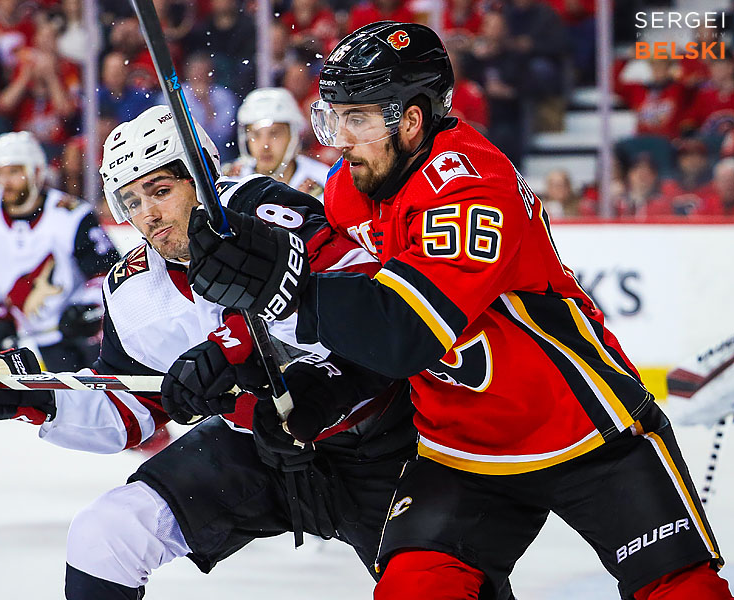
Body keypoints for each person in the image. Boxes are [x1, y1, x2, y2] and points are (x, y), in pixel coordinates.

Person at [184, 21, 734, 600]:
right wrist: (265, 359)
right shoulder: (351, 184)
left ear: (413, 119)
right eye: (333, 117)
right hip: (460, 447)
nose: (339, 138)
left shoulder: (471, 186)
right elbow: (341, 311)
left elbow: (404, 333)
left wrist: (282, 282)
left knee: (681, 590)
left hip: (582, 427)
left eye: (359, 119)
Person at [0, 106, 420, 600]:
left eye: (161, 191)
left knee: (431, 587)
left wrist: (232, 347)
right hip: (253, 450)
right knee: (104, 535)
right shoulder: (132, 288)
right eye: (131, 200)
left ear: (204, 177)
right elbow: (126, 407)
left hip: (382, 445)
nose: (148, 215)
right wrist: (26, 398)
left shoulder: (262, 207)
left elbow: (368, 303)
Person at [0, 130, 119, 371]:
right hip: (21, 335)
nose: (5, 182)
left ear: (36, 172)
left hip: (73, 336)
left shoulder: (72, 215)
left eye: (14, 171)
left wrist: (86, 308)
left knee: (87, 402)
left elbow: (109, 271)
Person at [223, 87, 330, 198]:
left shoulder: (323, 180)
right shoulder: (230, 181)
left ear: (293, 136)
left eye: (274, 134)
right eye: (255, 134)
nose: (265, 145)